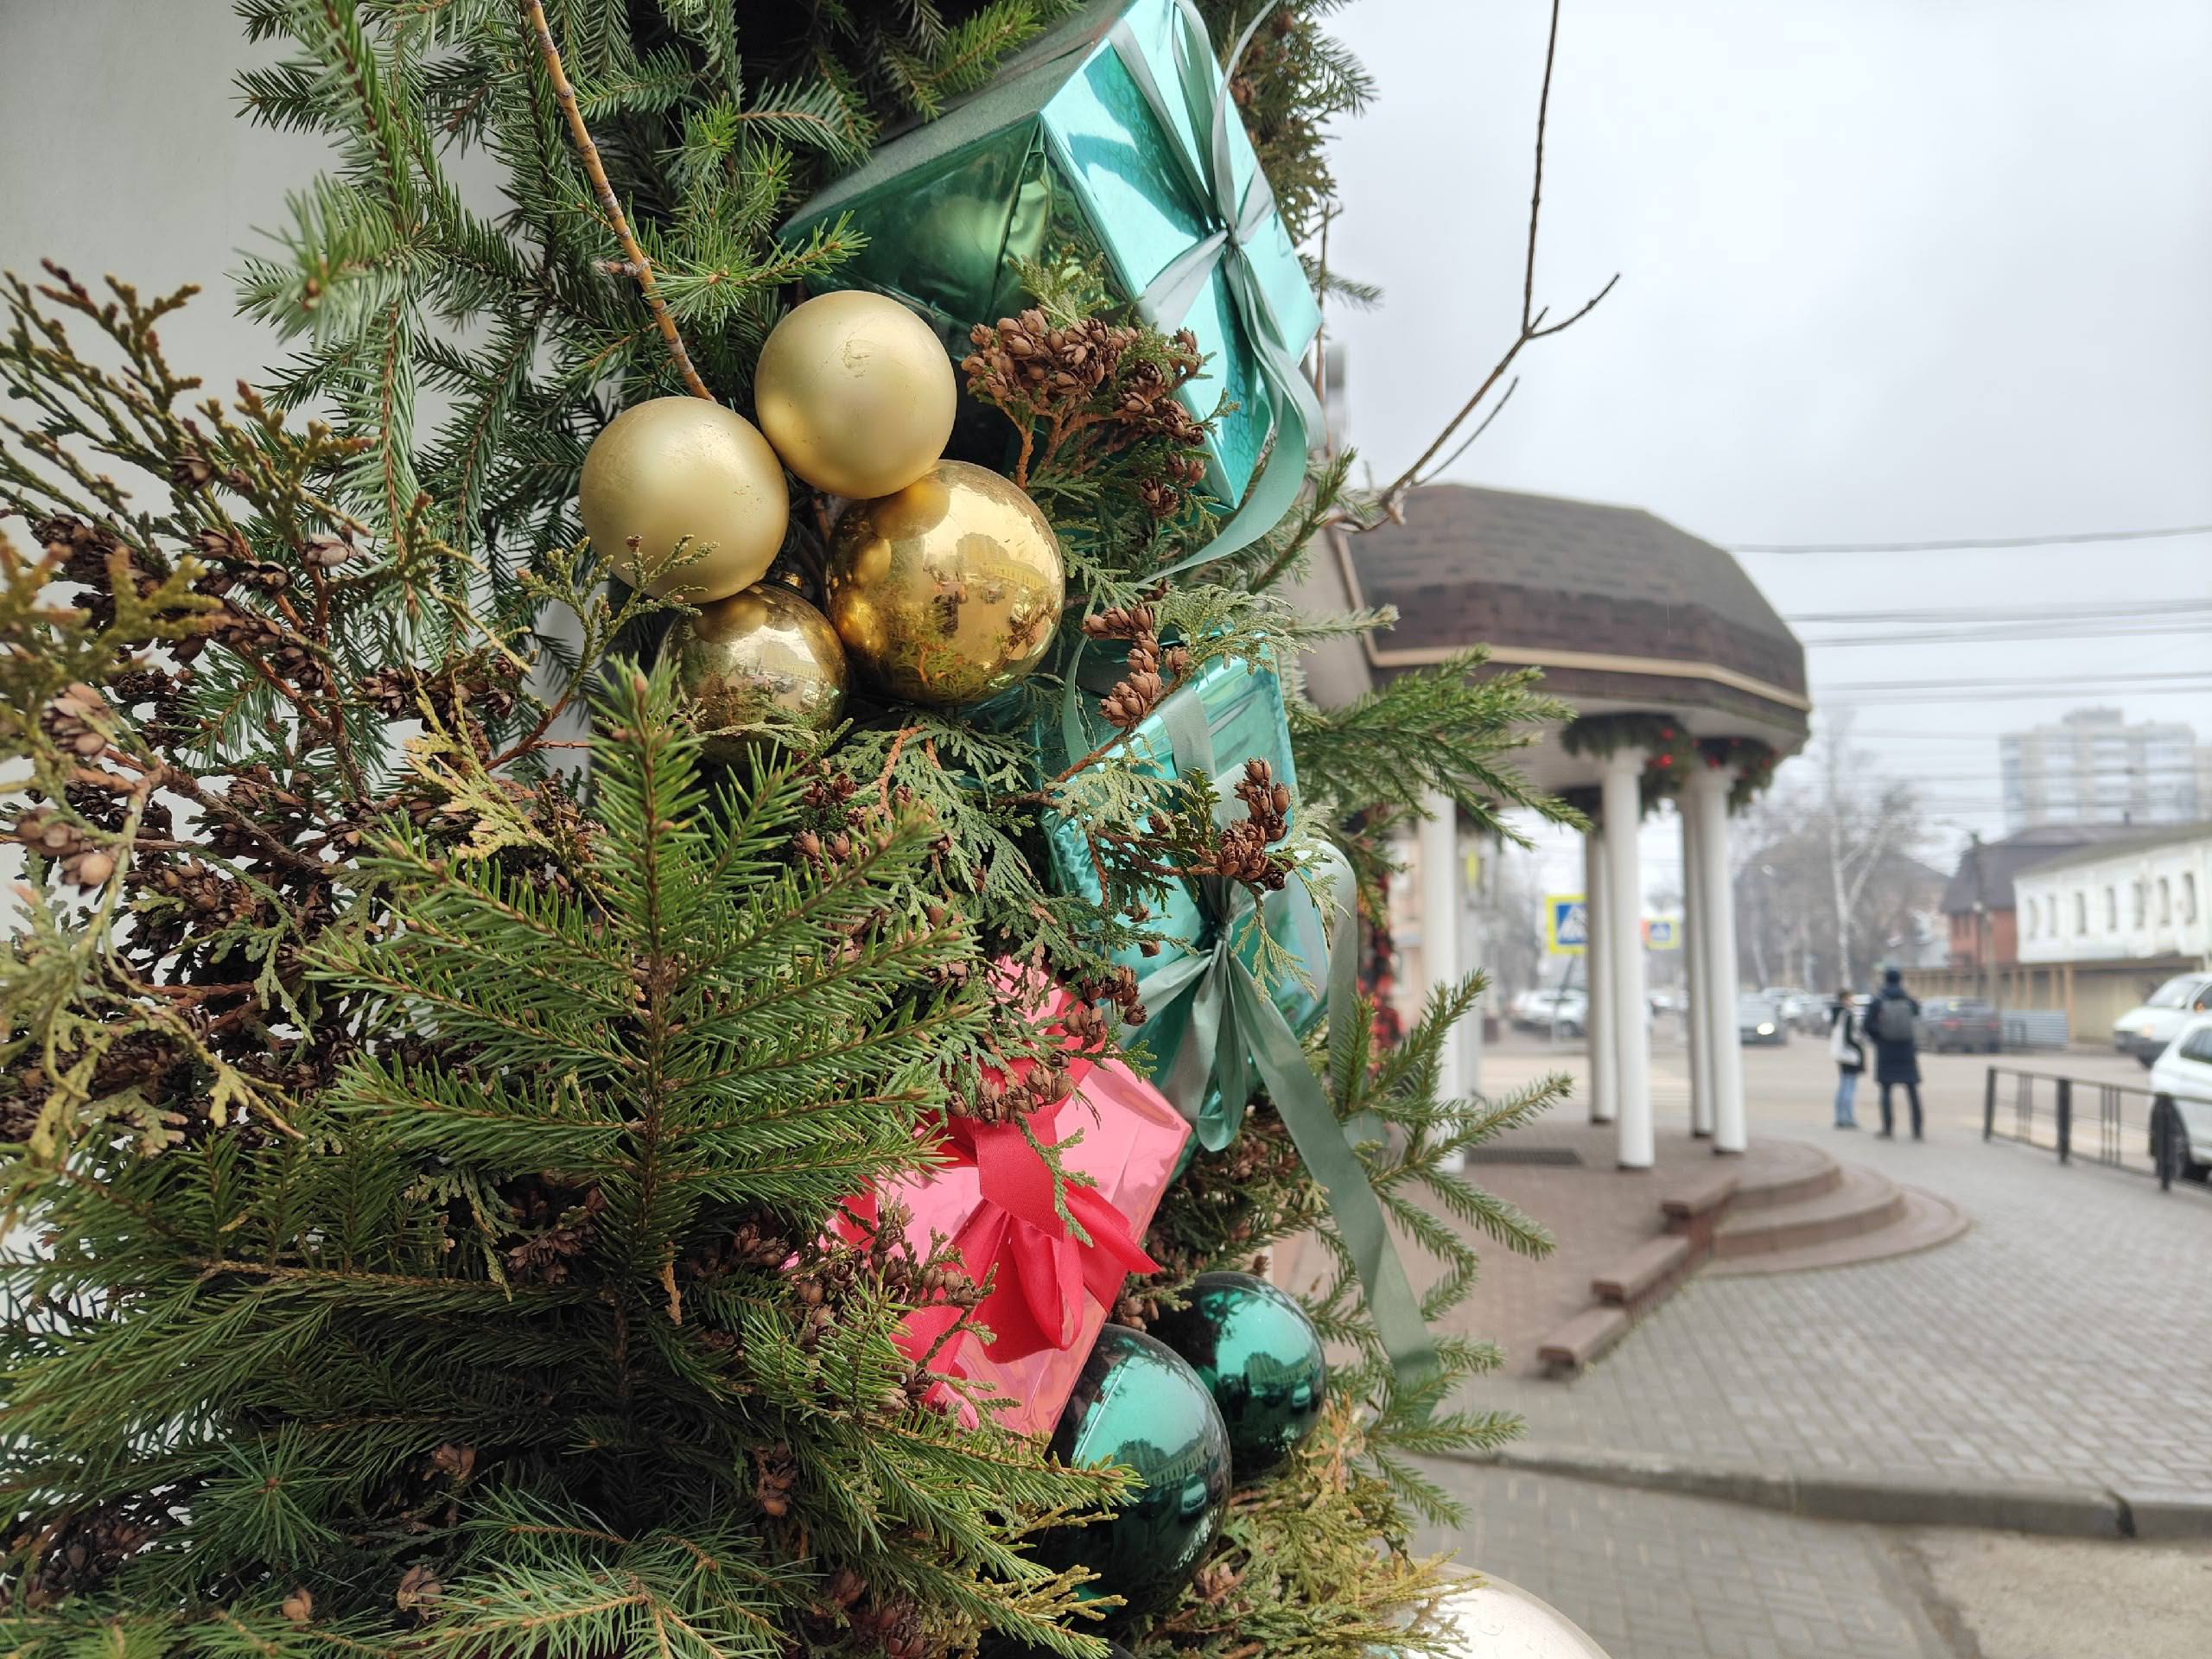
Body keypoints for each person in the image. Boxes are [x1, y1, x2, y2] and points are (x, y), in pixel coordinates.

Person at [1864, 965, 1923, 1139]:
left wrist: (1879, 1038)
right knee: (1912, 1091)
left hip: (1886, 1051)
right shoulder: (1909, 1001)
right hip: (1906, 1051)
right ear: (1900, 980)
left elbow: (1867, 1025)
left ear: (1885, 980)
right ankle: (1917, 1130)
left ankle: (1888, 1129)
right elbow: (1917, 1020)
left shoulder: (1878, 1001)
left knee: (1886, 1091)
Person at [1827, 986, 1864, 1128]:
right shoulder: (1847, 1014)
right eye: (1850, 998)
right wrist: (1858, 1049)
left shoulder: (1836, 1013)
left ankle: (1839, 1117)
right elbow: (1849, 1038)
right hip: (1849, 1055)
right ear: (1844, 999)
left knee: (1843, 1086)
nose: (1851, 1000)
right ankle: (1848, 1118)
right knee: (1849, 1087)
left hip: (1841, 1055)